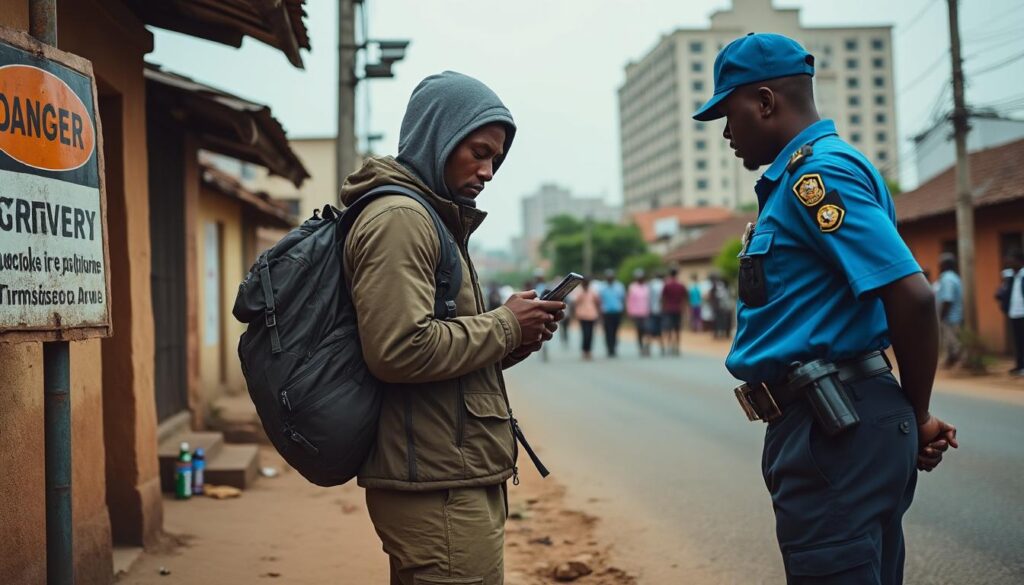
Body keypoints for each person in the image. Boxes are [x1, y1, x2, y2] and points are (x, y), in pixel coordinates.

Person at [694, 33, 957, 584]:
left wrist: (917, 413)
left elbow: (911, 296)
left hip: (835, 425)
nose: (725, 132)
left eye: (729, 113)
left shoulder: (819, 177)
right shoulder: (803, 177)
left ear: (765, 102)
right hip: (832, 419)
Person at [340, 71, 565, 585]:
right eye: (479, 153)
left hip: (447, 472)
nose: (488, 172)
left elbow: (440, 346)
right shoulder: (400, 218)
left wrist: (516, 337)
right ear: (437, 137)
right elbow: (399, 349)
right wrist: (504, 325)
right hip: (436, 485)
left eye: (496, 160)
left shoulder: (434, 218)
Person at [935, 253, 964, 367]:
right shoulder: (954, 277)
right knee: (951, 341)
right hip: (955, 316)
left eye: (941, 264)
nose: (939, 266)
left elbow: (948, 299)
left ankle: (959, 362)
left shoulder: (947, 278)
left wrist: (941, 316)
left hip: (951, 317)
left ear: (946, 265)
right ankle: (951, 362)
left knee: (953, 342)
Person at [999, 249, 1024, 375]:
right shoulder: (1010, 277)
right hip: (1014, 313)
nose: (1009, 263)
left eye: (1012, 260)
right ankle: (1019, 366)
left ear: (1020, 262)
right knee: (1018, 341)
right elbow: (1001, 293)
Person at [571, 277, 601, 360]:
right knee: (585, 334)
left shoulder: (593, 291)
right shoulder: (579, 291)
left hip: (592, 315)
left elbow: (597, 302)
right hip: (582, 315)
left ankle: (589, 350)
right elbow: (574, 302)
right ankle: (584, 350)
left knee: (590, 334)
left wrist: (599, 314)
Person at [598, 269, 625, 357]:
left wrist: (623, 311)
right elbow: (599, 301)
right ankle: (609, 348)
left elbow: (622, 299)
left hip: (617, 312)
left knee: (615, 331)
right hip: (606, 313)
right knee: (608, 331)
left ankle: (614, 347)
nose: (610, 278)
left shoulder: (619, 286)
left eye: (611, 276)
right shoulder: (602, 287)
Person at [661, 268, 688, 356]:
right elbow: (684, 298)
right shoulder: (681, 285)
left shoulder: (667, 285)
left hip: (668, 309)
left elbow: (663, 298)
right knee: (677, 329)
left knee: (669, 329)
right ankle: (677, 347)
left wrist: (663, 308)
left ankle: (669, 346)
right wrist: (684, 309)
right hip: (678, 309)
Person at [626, 269, 652, 356]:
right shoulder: (632, 287)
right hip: (636, 313)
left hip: (646, 313)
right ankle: (641, 347)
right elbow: (630, 300)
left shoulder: (647, 287)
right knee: (639, 331)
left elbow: (650, 299)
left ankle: (647, 346)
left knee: (648, 330)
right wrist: (630, 312)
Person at [647, 271, 666, 355]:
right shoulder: (663, 284)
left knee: (651, 330)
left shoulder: (651, 284)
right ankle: (662, 347)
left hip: (652, 310)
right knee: (659, 330)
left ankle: (648, 347)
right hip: (661, 311)